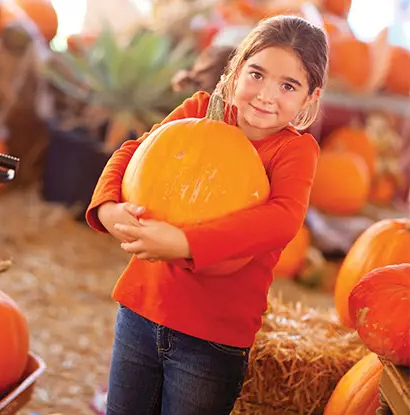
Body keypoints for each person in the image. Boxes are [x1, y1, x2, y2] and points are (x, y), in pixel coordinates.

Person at [84, 15, 328, 415]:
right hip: (142, 310)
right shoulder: (199, 110)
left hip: (212, 338)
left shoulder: (294, 152)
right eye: (257, 74)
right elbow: (133, 153)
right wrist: (109, 207)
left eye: (288, 85)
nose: (266, 95)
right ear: (235, 72)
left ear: (309, 98)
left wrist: (185, 243)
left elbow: (282, 219)